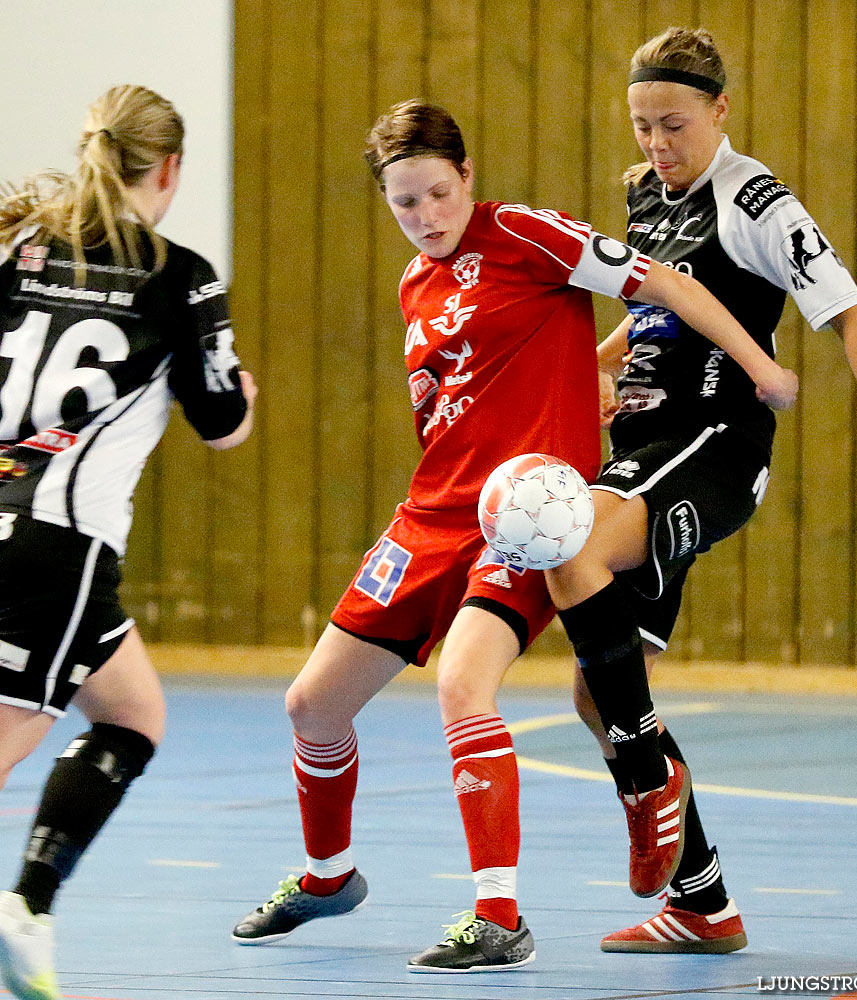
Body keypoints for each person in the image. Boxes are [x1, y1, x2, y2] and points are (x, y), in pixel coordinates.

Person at [231, 98, 796, 973]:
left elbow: (669, 286)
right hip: (431, 514)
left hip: (526, 514)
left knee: (465, 687)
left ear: (468, 179)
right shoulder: (413, 284)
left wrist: (760, 369)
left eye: (437, 193)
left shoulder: (526, 233)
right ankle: (326, 874)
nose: (425, 217)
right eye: (404, 204)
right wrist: (588, 373)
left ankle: (498, 913)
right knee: (311, 705)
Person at [545, 26, 857, 955]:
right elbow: (649, 317)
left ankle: (649, 783)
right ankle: (703, 903)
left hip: (713, 446)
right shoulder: (646, 196)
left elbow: (851, 316)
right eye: (642, 125)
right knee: (596, 694)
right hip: (641, 446)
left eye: (673, 124)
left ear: (720, 112)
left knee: (574, 542)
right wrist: (597, 369)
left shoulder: (756, 200)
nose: (656, 143)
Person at [0, 85, 256, 999]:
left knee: (132, 714)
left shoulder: (22, 247)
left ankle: (26, 908)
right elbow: (222, 422)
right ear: (170, 169)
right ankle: (23, 911)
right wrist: (243, 395)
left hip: (9, 520)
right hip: (55, 543)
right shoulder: (176, 275)